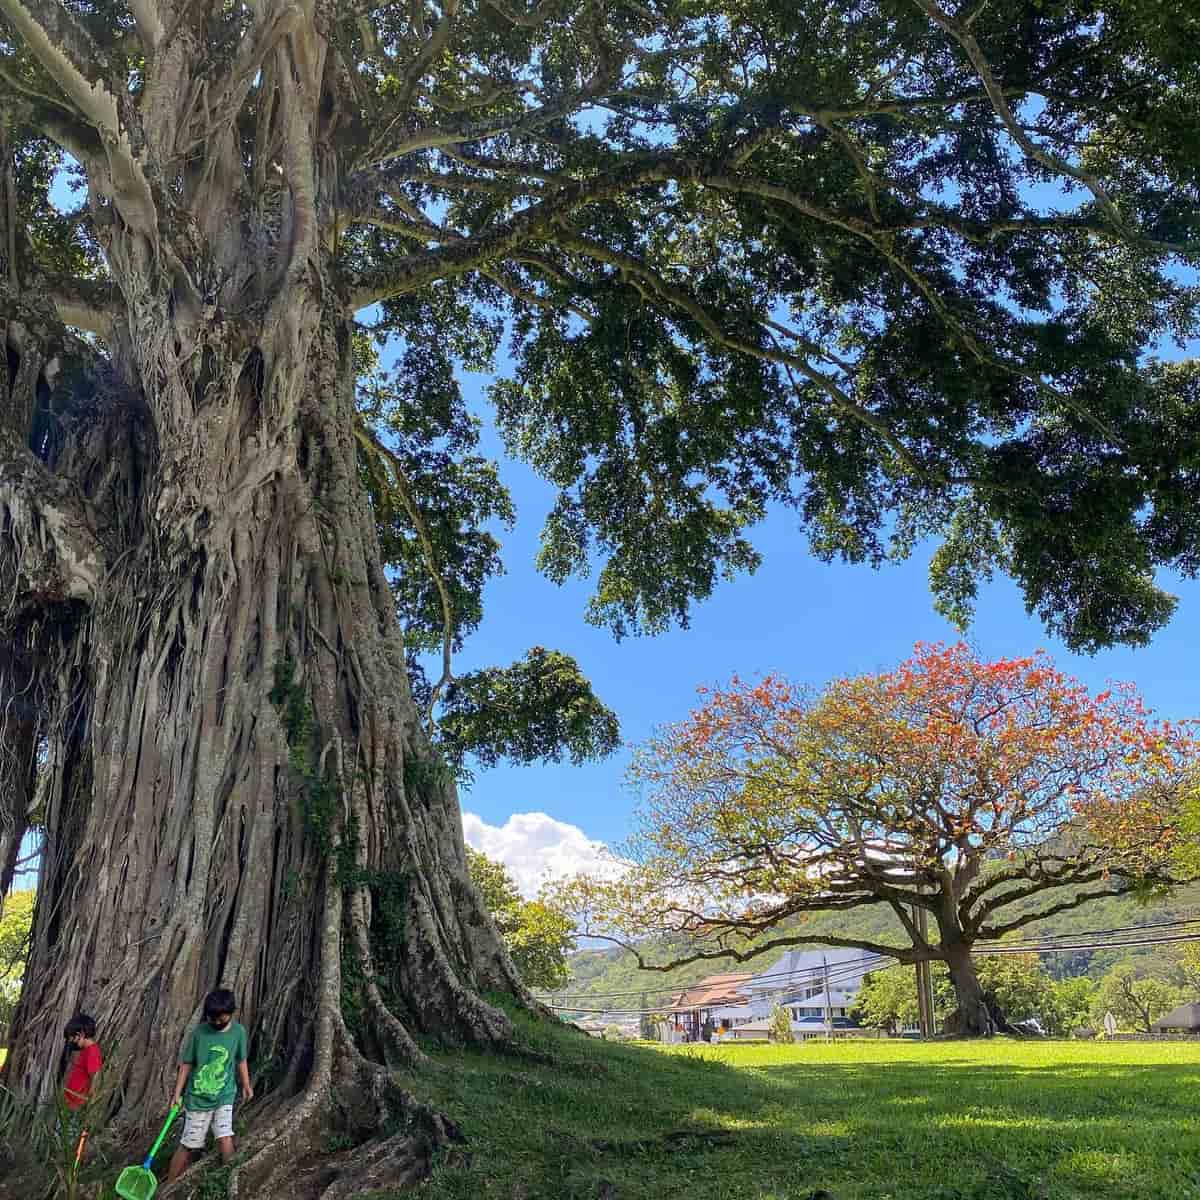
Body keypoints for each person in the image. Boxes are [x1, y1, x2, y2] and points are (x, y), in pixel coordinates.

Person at [166, 989, 253, 1183]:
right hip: (197, 1099)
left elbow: (241, 1060)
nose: (215, 1022)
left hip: (224, 1095)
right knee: (189, 1145)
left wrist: (247, 1084)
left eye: (220, 1019)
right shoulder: (199, 1033)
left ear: (231, 1012)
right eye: (211, 1018)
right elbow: (186, 1063)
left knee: (225, 1137)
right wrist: (177, 1094)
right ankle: (169, 1186)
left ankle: (229, 1181)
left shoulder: (238, 1032)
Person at [63, 1013, 103, 1114]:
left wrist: (88, 1109)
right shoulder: (85, 1051)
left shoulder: (92, 1051)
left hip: (78, 1107)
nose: (72, 1043)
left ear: (81, 1034)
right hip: (70, 1105)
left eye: (72, 1039)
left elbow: (96, 1079)